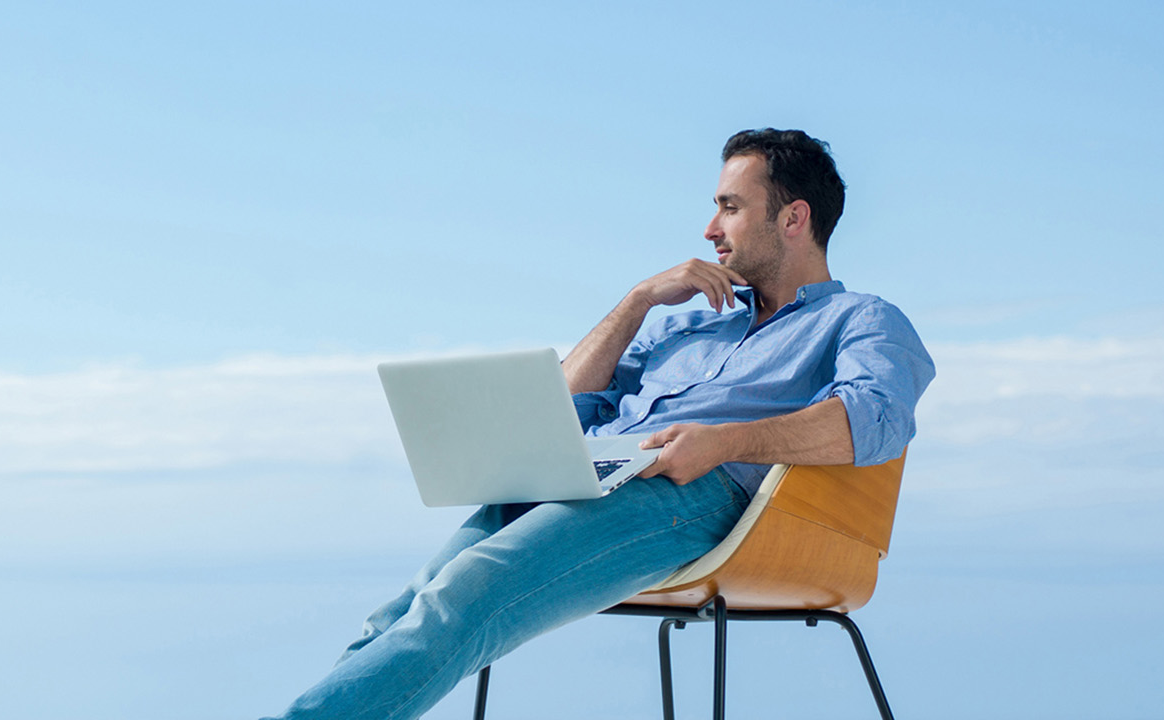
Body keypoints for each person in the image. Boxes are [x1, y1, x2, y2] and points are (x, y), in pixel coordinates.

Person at [263, 128, 936, 720]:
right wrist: (638, 300)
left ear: (794, 218)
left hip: (692, 495)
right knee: (409, 608)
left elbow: (872, 420)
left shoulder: (862, 320)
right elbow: (560, 405)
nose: (709, 228)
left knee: (467, 594)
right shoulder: (687, 325)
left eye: (729, 207)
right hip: (590, 471)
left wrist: (722, 443)